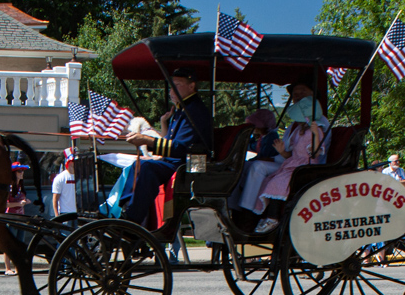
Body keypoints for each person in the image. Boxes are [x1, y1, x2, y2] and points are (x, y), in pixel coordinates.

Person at [121, 67, 212, 226]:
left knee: (147, 167)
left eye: (177, 85)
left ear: (192, 86)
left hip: (191, 165)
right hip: (178, 162)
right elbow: (171, 142)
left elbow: (180, 147)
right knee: (139, 164)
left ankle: (132, 220)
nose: (172, 90)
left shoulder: (194, 111)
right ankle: (127, 210)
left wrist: (147, 140)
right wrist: (163, 124)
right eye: (172, 85)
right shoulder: (182, 109)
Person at [229, 82, 330, 221]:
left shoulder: (318, 124)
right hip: (288, 161)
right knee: (244, 166)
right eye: (295, 94)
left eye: (303, 92)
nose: (298, 97)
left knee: (258, 167)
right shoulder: (296, 126)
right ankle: (235, 208)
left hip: (302, 167)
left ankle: (249, 213)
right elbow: (289, 150)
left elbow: (317, 152)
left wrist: (272, 159)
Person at [252, 94, 328, 233]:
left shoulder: (316, 132)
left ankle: (273, 218)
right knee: (269, 179)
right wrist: (281, 151)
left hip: (305, 167)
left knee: (277, 183)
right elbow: (290, 154)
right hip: (292, 164)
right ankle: (266, 215)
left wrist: (316, 135)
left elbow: (315, 153)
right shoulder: (298, 131)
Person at [3, 161, 30, 276]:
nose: (22, 173)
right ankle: (8, 268)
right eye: (19, 171)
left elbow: (23, 200)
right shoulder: (9, 187)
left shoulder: (21, 187)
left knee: (20, 244)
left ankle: (18, 267)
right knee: (9, 244)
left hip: (21, 217)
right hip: (11, 217)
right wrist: (19, 203)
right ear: (14, 173)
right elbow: (6, 205)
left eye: (22, 171)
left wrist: (25, 202)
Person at [52, 148, 77, 216]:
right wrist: (57, 216)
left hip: (79, 213)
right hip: (65, 213)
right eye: (72, 161)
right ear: (68, 162)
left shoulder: (82, 176)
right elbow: (55, 198)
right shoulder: (60, 178)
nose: (74, 163)